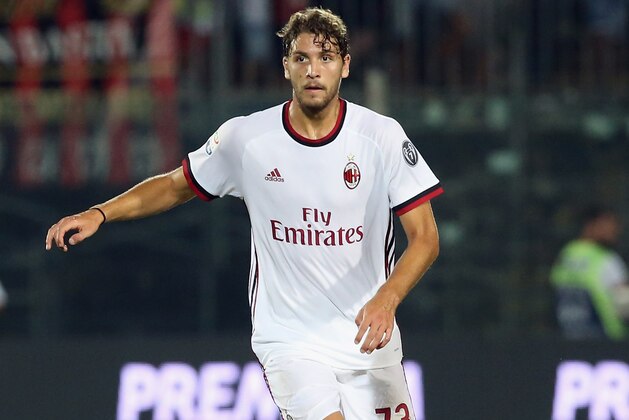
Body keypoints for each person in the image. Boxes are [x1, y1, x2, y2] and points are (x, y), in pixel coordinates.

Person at [46, 7, 443, 419]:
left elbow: (426, 238)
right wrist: (100, 213)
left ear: (345, 66)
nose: (313, 70)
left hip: (368, 341)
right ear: (286, 65)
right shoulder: (247, 139)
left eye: (325, 58)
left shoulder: (380, 137)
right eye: (302, 58)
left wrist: (387, 298)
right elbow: (172, 185)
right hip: (291, 341)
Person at [551, 206, 629, 340]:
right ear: (591, 225)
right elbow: (625, 304)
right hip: (606, 341)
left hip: (568, 337)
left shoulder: (566, 254)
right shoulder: (606, 260)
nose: (615, 230)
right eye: (608, 225)